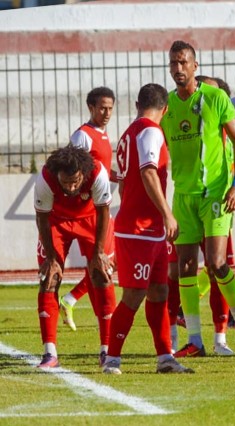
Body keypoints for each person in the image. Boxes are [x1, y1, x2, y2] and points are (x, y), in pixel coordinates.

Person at [160, 40, 235, 358]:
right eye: (173, 63)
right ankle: (195, 341)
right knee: (185, 268)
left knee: (216, 263)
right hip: (183, 197)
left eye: (183, 62)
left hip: (215, 193)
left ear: (194, 66)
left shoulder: (215, 99)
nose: (178, 68)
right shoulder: (167, 107)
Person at [102, 83, 193, 374]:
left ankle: (165, 357)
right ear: (165, 109)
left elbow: (126, 181)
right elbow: (148, 172)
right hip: (139, 230)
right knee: (135, 294)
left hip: (147, 228)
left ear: (137, 104)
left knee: (159, 291)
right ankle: (112, 359)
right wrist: (167, 214)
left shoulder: (129, 133)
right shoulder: (151, 131)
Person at [33, 145, 113, 368]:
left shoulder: (97, 173)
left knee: (102, 274)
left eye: (75, 182)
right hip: (56, 222)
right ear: (57, 174)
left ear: (83, 175)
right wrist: (50, 258)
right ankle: (50, 353)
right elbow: (42, 218)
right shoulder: (45, 179)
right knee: (48, 278)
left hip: (91, 220)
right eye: (65, 182)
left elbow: (104, 211)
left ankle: (107, 351)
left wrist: (98, 253)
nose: (70, 187)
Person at [59, 87, 117, 334]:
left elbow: (101, 169)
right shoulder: (83, 136)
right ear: (91, 108)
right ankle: (105, 326)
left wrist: (121, 176)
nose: (106, 113)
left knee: (101, 267)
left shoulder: (102, 135)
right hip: (90, 212)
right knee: (105, 267)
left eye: (110, 108)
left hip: (100, 207)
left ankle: (73, 301)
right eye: (102, 108)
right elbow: (71, 170)